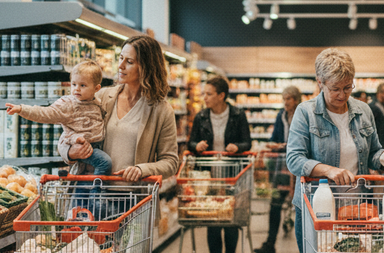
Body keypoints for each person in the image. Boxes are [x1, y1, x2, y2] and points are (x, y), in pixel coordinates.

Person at [286, 48, 384, 253]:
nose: (342, 95)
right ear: (320, 82)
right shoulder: (306, 112)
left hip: (355, 207)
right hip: (315, 207)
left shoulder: (364, 110)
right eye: (335, 88)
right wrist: (328, 170)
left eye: (348, 87)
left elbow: (374, 155)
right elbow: (294, 159)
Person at [58, 35, 180, 183]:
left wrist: (142, 170)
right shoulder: (100, 98)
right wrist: (71, 153)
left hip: (134, 198)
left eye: (129, 62)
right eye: (120, 58)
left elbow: (171, 162)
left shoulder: (161, 110)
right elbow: (67, 136)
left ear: (146, 67)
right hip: (92, 192)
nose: (120, 65)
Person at [7, 60, 111, 176]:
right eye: (74, 84)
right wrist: (22, 109)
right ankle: (97, 191)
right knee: (104, 162)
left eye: (82, 85)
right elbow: (46, 113)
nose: (76, 89)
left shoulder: (98, 104)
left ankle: (86, 192)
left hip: (97, 149)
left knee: (82, 183)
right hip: (83, 148)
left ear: (96, 88)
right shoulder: (68, 104)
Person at [188, 76, 252, 253]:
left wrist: (237, 147)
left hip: (233, 175)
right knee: (213, 219)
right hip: (209, 176)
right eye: (204, 93)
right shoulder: (201, 116)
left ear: (221, 95)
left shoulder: (238, 115)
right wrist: (197, 146)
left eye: (209, 94)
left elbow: (248, 142)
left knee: (231, 219)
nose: (205, 97)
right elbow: (190, 143)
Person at [254, 86, 302, 253]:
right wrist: (273, 144)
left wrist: (285, 147)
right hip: (281, 168)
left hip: (299, 169)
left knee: (301, 208)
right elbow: (275, 137)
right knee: (275, 204)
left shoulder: (303, 115)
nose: (285, 102)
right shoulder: (280, 115)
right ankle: (270, 243)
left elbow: (303, 142)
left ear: (296, 99)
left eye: (288, 98)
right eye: (284, 98)